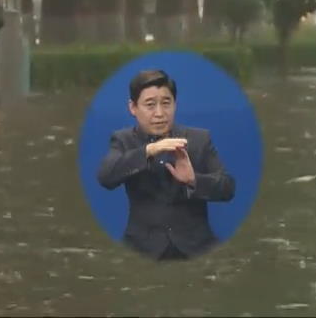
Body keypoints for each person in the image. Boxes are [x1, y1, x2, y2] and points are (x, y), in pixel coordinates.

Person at [96, 69, 237, 261]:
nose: (160, 113)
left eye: (166, 103)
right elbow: (106, 177)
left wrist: (193, 180)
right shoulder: (123, 140)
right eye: (150, 105)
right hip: (141, 250)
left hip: (197, 248)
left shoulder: (198, 139)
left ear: (175, 104)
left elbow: (227, 188)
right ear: (133, 107)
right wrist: (149, 150)